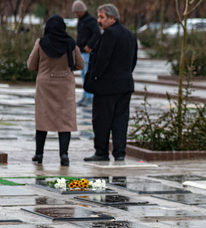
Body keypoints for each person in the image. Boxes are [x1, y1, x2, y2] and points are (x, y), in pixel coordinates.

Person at [27, 15, 84, 166]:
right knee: (65, 122)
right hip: (65, 87)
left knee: (42, 120)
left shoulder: (41, 43)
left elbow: (31, 65)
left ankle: (39, 154)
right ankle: (64, 155)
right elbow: (81, 64)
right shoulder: (71, 44)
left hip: (45, 87)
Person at [83, 4, 137, 162]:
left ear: (112, 18)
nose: (98, 21)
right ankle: (119, 153)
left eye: (101, 17)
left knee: (102, 121)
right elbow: (133, 60)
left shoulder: (109, 34)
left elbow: (102, 60)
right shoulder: (130, 34)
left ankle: (101, 152)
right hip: (125, 85)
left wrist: (94, 77)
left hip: (107, 87)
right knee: (121, 121)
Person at [72, 0, 100, 107]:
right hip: (82, 51)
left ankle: (89, 97)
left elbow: (96, 34)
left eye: (77, 12)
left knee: (87, 74)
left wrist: (90, 45)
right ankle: (86, 95)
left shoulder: (90, 20)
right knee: (83, 74)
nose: (76, 14)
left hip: (87, 52)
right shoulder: (82, 20)